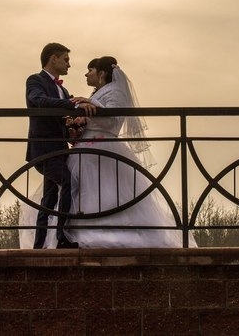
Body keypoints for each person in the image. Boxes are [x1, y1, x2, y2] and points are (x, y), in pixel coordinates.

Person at [64, 56, 195, 248]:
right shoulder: (100, 91)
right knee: (83, 189)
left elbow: (113, 121)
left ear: (101, 73)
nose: (86, 74)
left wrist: (90, 105)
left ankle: (104, 231)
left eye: (90, 70)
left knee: (106, 190)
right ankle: (76, 229)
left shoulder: (116, 91)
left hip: (103, 147)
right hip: (88, 147)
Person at [25, 42, 95, 249]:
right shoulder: (35, 80)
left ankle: (39, 244)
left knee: (49, 197)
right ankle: (61, 237)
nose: (69, 65)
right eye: (66, 60)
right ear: (53, 58)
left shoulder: (63, 89)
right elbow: (38, 100)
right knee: (68, 182)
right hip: (43, 148)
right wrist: (74, 103)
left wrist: (74, 128)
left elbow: (64, 118)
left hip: (59, 149)